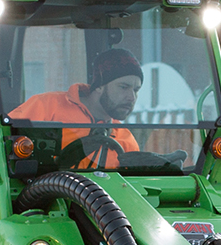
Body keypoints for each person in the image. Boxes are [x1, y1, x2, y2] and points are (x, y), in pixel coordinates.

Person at [10, 47, 143, 168]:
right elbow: (0, 139)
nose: (131, 97)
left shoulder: (126, 141)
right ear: (99, 85)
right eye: (124, 87)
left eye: (136, 90)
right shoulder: (46, 106)